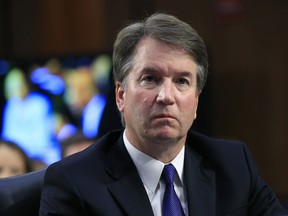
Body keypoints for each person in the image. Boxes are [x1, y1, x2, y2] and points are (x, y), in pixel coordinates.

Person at [40, 13, 287, 215]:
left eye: (181, 81)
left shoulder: (233, 164)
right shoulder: (74, 182)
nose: (166, 96)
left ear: (196, 101)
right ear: (121, 95)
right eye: (150, 79)